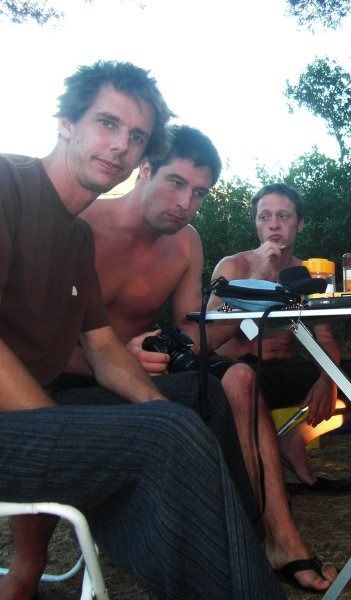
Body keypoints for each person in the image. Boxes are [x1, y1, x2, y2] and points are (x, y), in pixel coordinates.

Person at [0, 61, 283, 599]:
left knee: (199, 400)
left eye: (135, 136)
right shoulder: (8, 185)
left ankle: (250, 552)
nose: (120, 145)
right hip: (20, 426)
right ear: (66, 122)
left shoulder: (74, 237)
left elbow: (102, 346)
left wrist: (162, 407)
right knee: (164, 437)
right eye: (107, 123)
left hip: (40, 419)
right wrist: (63, 429)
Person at [56, 125, 335, 592]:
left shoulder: (186, 241)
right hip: (76, 380)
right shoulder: (80, 226)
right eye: (176, 183)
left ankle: (279, 536)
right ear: (145, 169)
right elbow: (34, 344)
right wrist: (113, 361)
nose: (186, 203)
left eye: (200, 193)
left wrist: (255, 291)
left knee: (240, 378)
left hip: (150, 373)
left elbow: (193, 335)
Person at [210, 183, 351, 491]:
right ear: (256, 223)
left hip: (284, 372)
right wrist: (253, 283)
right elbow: (208, 337)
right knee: (245, 380)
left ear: (300, 223)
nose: (273, 224)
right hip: (239, 373)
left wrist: (327, 380)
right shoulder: (234, 267)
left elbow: (325, 339)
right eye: (265, 216)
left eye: (283, 216)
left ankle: (294, 440)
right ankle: (261, 484)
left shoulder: (307, 274)